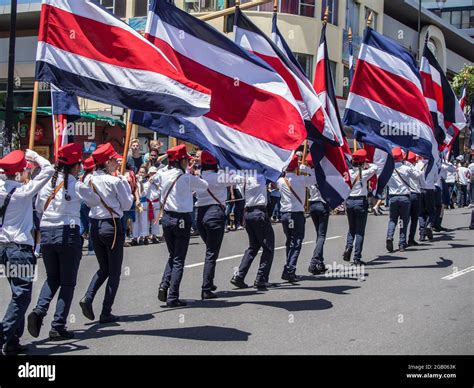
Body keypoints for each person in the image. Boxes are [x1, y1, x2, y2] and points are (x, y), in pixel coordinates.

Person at [27, 144, 100, 341]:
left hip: (47, 233)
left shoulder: (47, 184)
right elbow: (94, 201)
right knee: (67, 283)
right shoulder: (77, 184)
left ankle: (39, 311)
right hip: (68, 233)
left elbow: (39, 207)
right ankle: (58, 325)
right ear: (76, 166)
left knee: (52, 278)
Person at [0, 149, 53, 355]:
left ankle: (13, 340)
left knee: (17, 295)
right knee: (21, 296)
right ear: (21, 171)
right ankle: (4, 334)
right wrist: (34, 156)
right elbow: (48, 170)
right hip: (20, 249)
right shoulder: (23, 191)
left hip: (4, 248)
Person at [79, 143, 133, 324]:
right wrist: (126, 183)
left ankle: (88, 297)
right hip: (112, 226)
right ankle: (106, 311)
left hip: (95, 225)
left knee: (104, 267)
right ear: (107, 161)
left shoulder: (88, 180)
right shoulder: (116, 181)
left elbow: (87, 204)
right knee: (115, 271)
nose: (118, 162)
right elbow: (127, 206)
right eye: (115, 160)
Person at [157, 145, 208, 307]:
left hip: (166, 218)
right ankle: (172, 296)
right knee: (179, 259)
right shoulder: (185, 178)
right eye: (186, 160)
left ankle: (164, 285)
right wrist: (192, 173)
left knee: (172, 255)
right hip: (181, 220)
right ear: (182, 160)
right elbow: (204, 185)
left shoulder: (163, 175)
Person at [195, 151, 242, 299]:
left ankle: (209, 281)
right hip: (215, 213)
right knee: (211, 253)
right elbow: (239, 179)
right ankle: (206, 287)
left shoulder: (198, 176)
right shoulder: (219, 176)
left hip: (200, 214)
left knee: (210, 250)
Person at [231, 172, 275, 290]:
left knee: (253, 246)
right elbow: (273, 175)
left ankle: (240, 275)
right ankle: (261, 278)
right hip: (259, 212)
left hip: (248, 213)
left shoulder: (241, 177)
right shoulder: (260, 176)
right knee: (268, 247)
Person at [276, 154, 314, 282]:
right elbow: (316, 178)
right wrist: (306, 169)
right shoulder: (301, 180)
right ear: (296, 166)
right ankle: (290, 269)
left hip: (285, 214)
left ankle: (288, 267)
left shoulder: (280, 181)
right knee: (296, 242)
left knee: (289, 241)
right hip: (296, 214)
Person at [343, 149, 378, 265]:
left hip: (349, 201)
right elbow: (375, 167)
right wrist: (366, 164)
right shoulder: (364, 173)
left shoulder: (347, 172)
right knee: (360, 231)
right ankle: (357, 257)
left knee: (351, 228)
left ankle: (348, 247)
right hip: (360, 202)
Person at [385, 148, 421, 252]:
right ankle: (401, 243)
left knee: (392, 219)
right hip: (404, 197)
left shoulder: (389, 169)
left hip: (392, 197)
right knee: (403, 221)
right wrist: (410, 165)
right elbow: (417, 176)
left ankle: (389, 236)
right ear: (401, 157)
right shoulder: (406, 168)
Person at [305, 153, 330, 275]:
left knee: (318, 235)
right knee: (321, 236)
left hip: (312, 205)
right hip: (322, 204)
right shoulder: (322, 173)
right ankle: (314, 262)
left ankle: (320, 262)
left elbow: (301, 167)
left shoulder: (308, 174)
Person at [416, 156, 438, 241]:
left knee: (421, 213)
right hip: (430, 189)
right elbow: (436, 179)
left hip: (420, 189)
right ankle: (429, 225)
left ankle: (422, 233)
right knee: (431, 211)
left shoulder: (418, 164)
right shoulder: (434, 165)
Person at [404, 152, 423, 246]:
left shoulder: (402, 168)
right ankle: (411, 239)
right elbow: (420, 176)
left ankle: (402, 240)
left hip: (406, 194)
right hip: (415, 194)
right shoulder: (414, 168)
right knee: (414, 218)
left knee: (405, 219)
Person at [80, 156, 96, 256]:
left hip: (82, 202)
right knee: (91, 226)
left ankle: (75, 247)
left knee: (82, 226)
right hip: (88, 203)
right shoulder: (91, 177)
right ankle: (91, 248)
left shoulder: (83, 176)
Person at [131, 165, 149, 246]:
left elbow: (143, 192)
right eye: (140, 172)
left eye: (143, 172)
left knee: (143, 220)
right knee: (135, 220)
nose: (141, 174)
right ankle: (135, 237)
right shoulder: (135, 180)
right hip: (136, 202)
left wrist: (141, 183)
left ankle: (142, 236)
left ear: (146, 174)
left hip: (143, 202)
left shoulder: (147, 182)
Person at [143, 166, 161, 244]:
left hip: (156, 202)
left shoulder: (159, 182)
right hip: (147, 202)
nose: (153, 175)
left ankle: (154, 236)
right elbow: (144, 192)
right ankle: (145, 236)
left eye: (154, 173)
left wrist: (156, 184)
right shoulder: (145, 182)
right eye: (151, 173)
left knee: (155, 221)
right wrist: (149, 183)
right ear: (149, 174)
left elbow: (161, 192)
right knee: (146, 220)